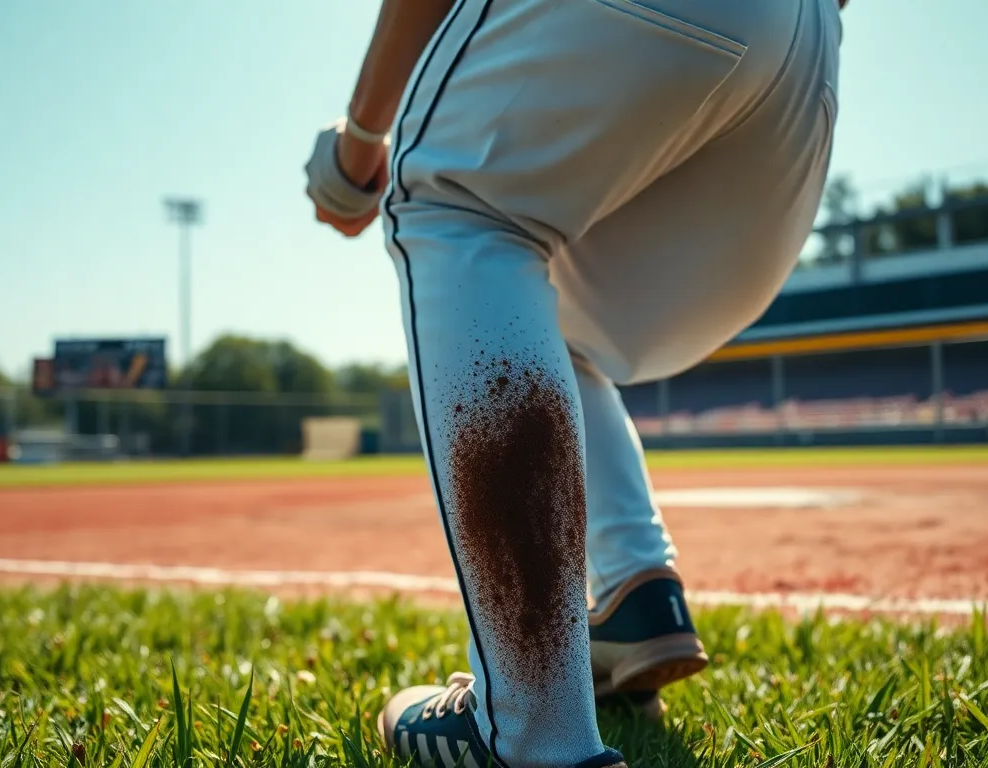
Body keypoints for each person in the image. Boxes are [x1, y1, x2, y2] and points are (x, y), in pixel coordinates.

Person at [305, 0, 843, 765]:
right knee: (551, 308)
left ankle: (530, 731)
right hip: (806, 54)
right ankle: (634, 591)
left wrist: (359, 144)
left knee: (454, 208)